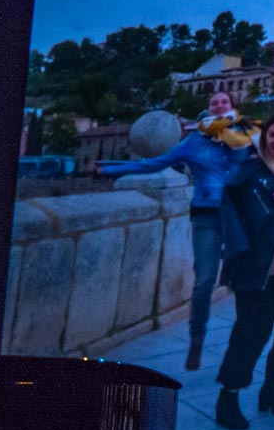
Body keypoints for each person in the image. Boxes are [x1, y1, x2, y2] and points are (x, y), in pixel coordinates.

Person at [97, 90, 257, 371]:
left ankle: (244, 344)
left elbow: (266, 162)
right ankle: (197, 342)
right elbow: (154, 163)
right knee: (204, 281)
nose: (219, 105)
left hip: (239, 218)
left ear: (232, 107)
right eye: (214, 102)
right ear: (209, 108)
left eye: (224, 102)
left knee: (245, 282)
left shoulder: (244, 135)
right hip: (207, 217)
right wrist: (112, 169)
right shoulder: (194, 141)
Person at [213, 112, 274, 430]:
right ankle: (228, 397)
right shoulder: (252, 170)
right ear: (264, 139)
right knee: (252, 333)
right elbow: (229, 203)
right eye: (273, 135)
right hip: (256, 267)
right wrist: (237, 249)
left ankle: (272, 387)